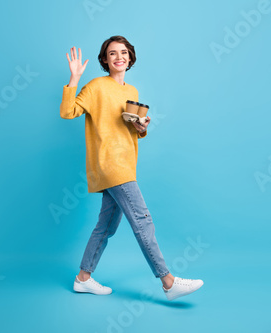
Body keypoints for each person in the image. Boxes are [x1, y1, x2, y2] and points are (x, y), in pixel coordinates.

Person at [60, 36, 203, 301]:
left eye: (123, 52)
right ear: (105, 59)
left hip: (126, 164)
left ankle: (83, 278)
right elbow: (68, 111)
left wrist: (142, 128)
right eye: (112, 53)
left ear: (130, 57)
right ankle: (168, 282)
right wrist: (74, 78)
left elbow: (128, 131)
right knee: (143, 221)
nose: (119, 57)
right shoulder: (96, 87)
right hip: (110, 165)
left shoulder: (132, 92)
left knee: (105, 227)